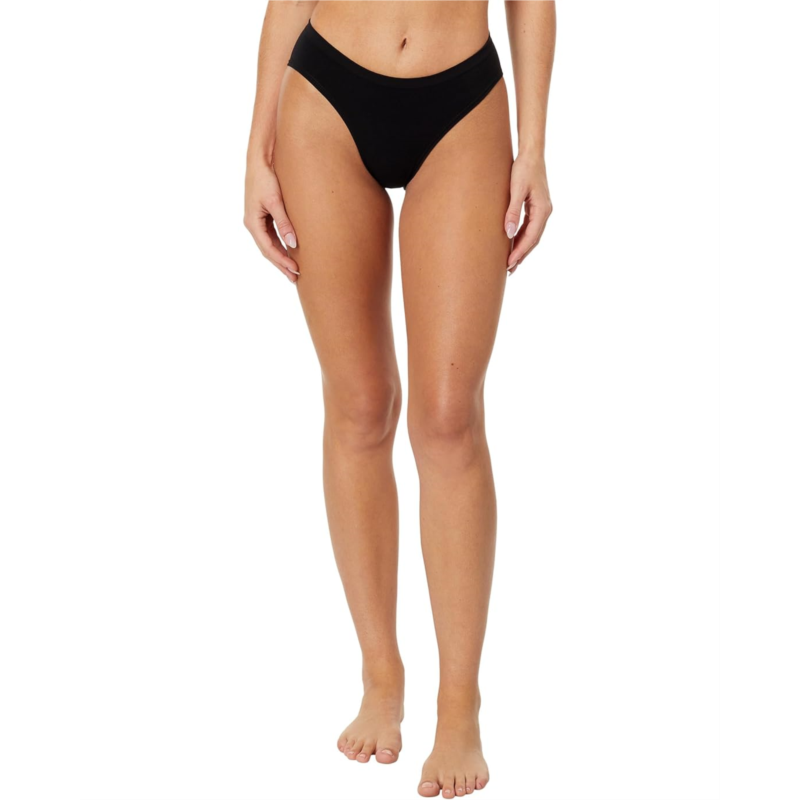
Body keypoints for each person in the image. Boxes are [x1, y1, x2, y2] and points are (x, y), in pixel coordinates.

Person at [244, 1, 555, 796]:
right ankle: (381, 675)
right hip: (324, 97)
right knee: (359, 406)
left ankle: (459, 703)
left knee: (449, 418)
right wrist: (256, 147)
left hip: (463, 102)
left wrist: (535, 148)